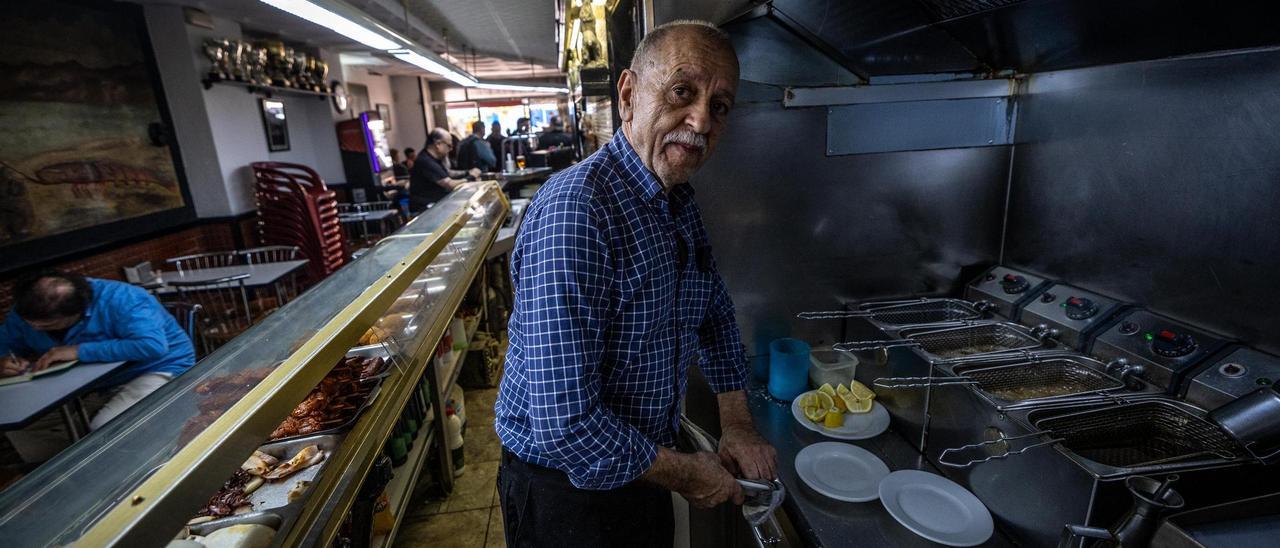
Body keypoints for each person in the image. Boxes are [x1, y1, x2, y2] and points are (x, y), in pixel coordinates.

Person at [495, 20, 773, 547]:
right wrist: (687, 473)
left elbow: (711, 311)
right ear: (628, 95)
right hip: (565, 495)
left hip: (641, 468)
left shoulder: (675, 198)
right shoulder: (577, 212)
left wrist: (735, 420)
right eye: (682, 92)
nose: (700, 121)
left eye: (719, 106)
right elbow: (566, 425)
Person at [0, 271, 196, 463]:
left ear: (78, 311)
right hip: (90, 380)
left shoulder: (123, 298)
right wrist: (3, 361)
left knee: (105, 427)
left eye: (47, 326)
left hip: (157, 367)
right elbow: (6, 341)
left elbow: (151, 345)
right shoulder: (29, 309)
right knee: (23, 430)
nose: (35, 329)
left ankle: (146, 466)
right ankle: (74, 468)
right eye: (31, 324)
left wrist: (78, 351)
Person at [409, 127, 480, 213]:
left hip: (433, 206)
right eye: (449, 146)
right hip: (424, 210)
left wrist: (467, 172)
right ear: (438, 144)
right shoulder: (426, 161)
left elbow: (447, 173)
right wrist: (471, 177)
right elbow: (450, 184)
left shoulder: (435, 158)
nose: (451, 149)